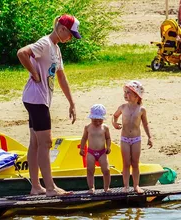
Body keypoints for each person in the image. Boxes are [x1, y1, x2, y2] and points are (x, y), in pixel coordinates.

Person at [17, 14, 81, 197]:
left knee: (36, 143)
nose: (70, 39)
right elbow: (22, 53)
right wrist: (34, 73)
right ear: (61, 28)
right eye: (70, 34)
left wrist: (71, 102)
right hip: (36, 99)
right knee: (45, 142)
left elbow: (61, 76)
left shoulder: (56, 49)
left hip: (38, 99)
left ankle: (36, 187)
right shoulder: (45, 43)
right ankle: (50, 188)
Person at [112, 80, 153, 193]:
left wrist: (150, 137)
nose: (125, 94)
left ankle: (136, 186)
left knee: (135, 163)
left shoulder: (141, 110)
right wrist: (114, 123)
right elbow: (114, 116)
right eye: (125, 92)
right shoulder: (122, 107)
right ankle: (126, 186)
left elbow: (145, 124)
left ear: (137, 95)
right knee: (126, 163)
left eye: (129, 92)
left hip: (136, 139)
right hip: (124, 138)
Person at [79, 104, 111, 194]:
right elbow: (84, 138)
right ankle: (91, 188)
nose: (97, 123)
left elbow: (108, 138)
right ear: (91, 118)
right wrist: (82, 148)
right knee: (90, 170)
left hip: (102, 152)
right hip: (91, 152)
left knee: (106, 170)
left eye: (99, 121)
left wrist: (108, 147)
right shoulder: (88, 127)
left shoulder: (105, 128)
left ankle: (106, 187)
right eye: (95, 121)